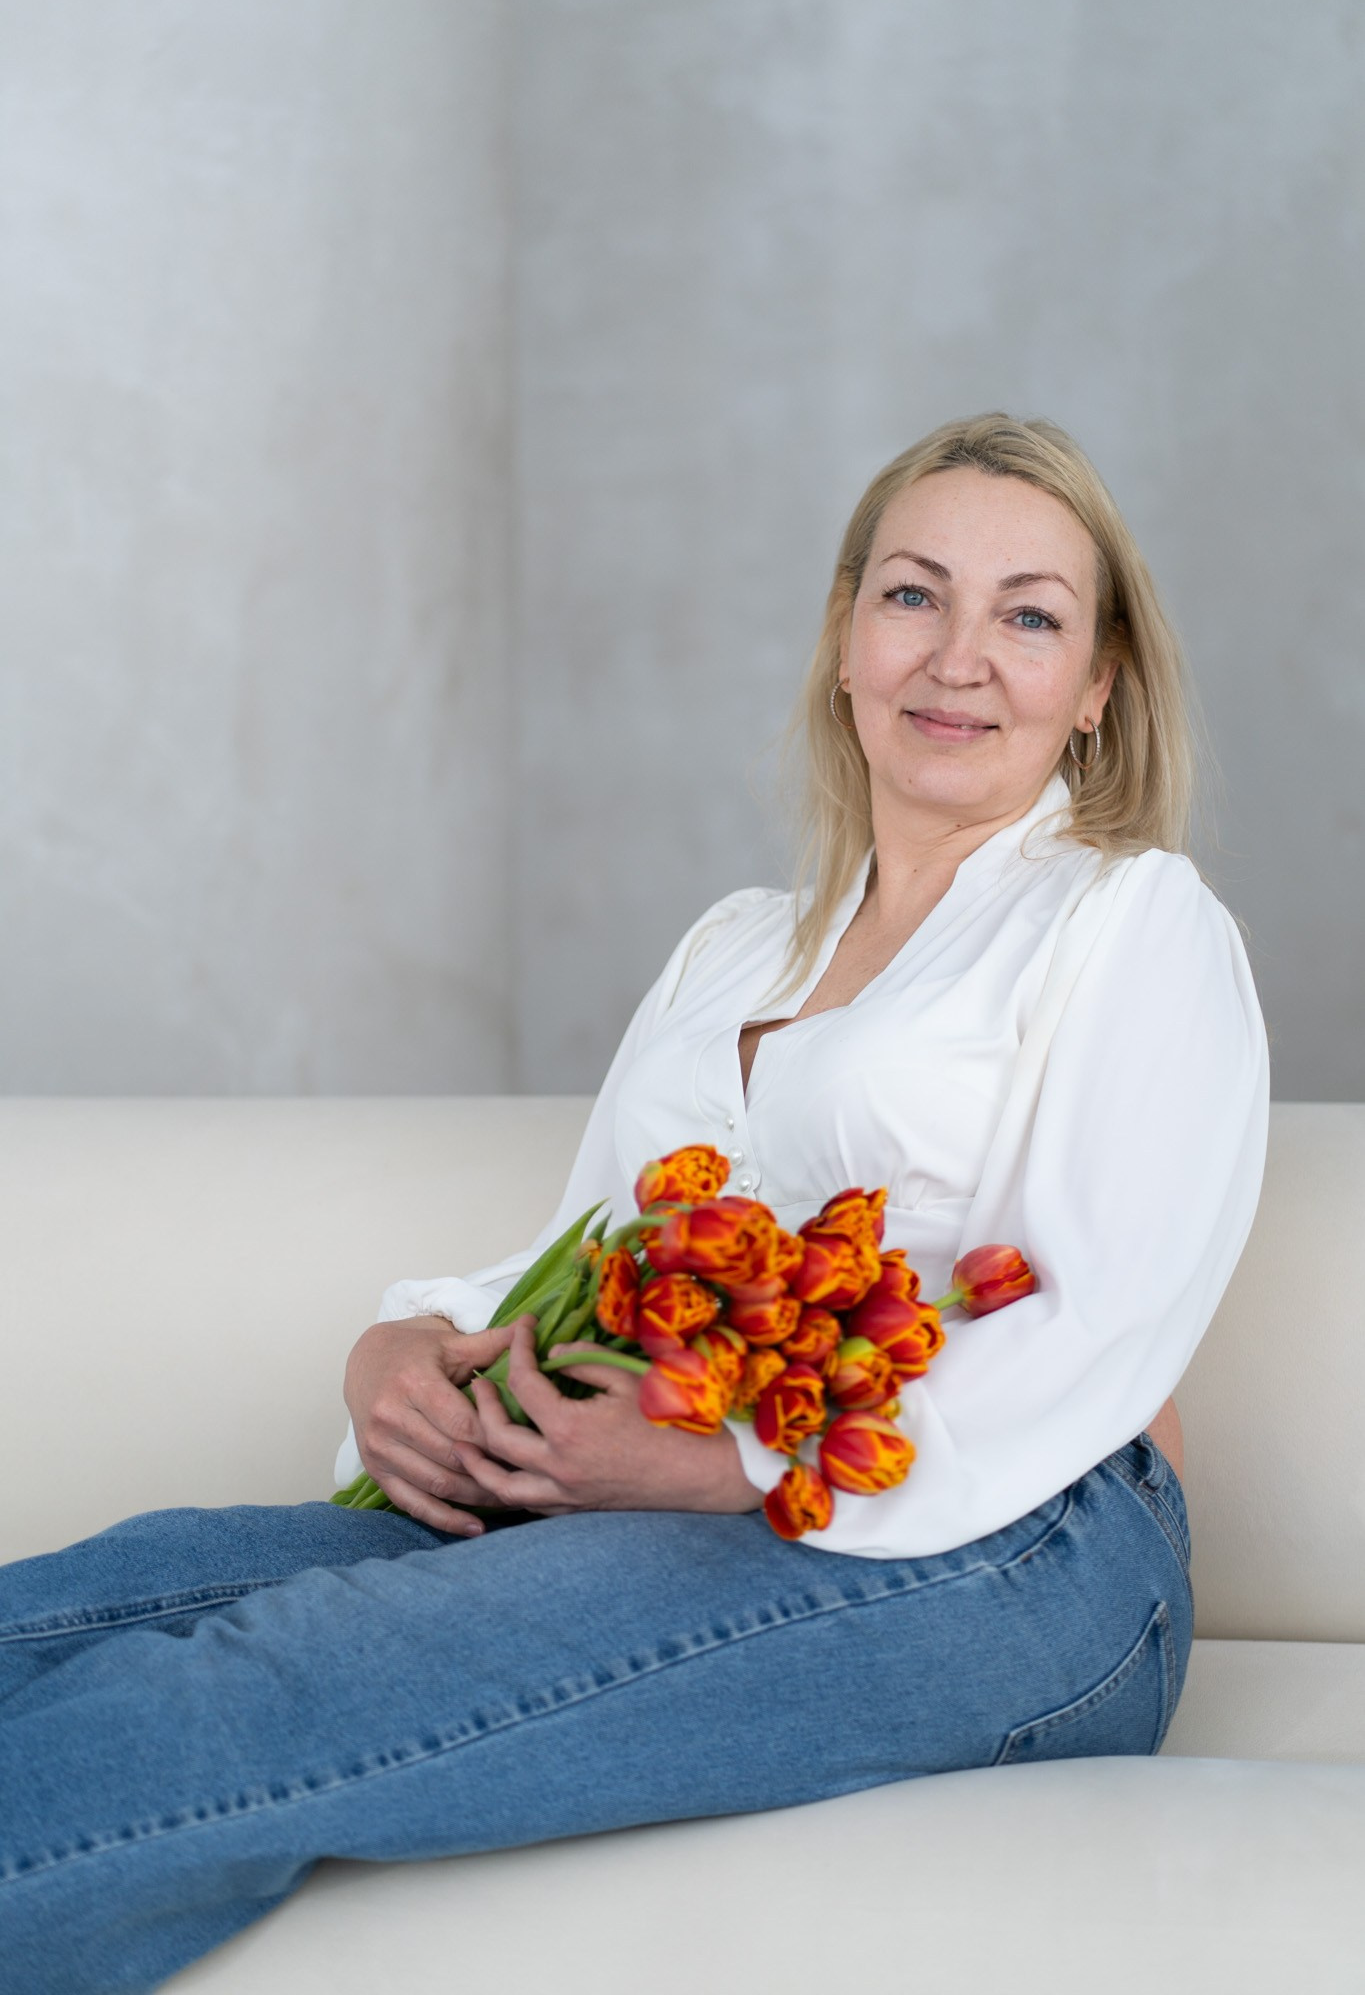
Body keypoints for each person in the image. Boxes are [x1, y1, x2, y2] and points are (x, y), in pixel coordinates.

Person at [0, 413, 1269, 1993]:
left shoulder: (1128, 919)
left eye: (1026, 616)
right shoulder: (735, 947)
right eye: (911, 595)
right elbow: (599, 1250)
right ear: (844, 637)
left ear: (1094, 686)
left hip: (1016, 1550)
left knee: (263, 1683)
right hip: (660, 1483)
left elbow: (1087, 1314)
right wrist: (411, 1352)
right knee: (71, 1615)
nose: (957, 658)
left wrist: (734, 1462)